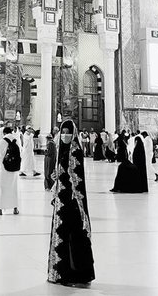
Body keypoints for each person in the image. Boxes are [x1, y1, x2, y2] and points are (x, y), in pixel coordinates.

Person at [47, 120, 95, 286]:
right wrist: (56, 177)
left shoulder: (76, 151)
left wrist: (77, 199)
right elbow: (61, 172)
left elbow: (77, 178)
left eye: (69, 132)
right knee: (61, 233)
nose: (66, 135)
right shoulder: (61, 149)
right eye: (63, 132)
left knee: (73, 235)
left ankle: (75, 273)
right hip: (61, 199)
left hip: (73, 201)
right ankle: (60, 271)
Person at [0, 126, 21, 215]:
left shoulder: (2, 141)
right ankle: (15, 208)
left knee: (3, 188)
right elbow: (21, 152)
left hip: (4, 168)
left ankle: (0, 209)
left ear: (4, 133)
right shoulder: (17, 140)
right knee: (14, 187)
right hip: (15, 168)